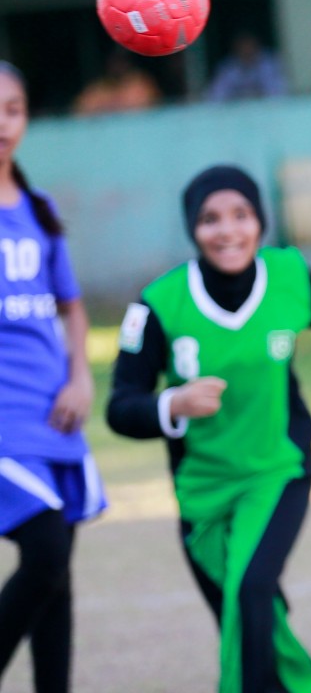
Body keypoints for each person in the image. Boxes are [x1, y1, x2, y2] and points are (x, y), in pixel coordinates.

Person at [106, 165, 311, 693]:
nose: (228, 231)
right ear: (192, 229)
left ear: (260, 222)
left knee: (249, 592)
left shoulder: (287, 275)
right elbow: (120, 407)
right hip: (201, 488)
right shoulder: (158, 304)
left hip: (278, 468)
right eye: (210, 219)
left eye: (241, 216)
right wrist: (173, 403)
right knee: (249, 611)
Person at [0, 62, 105, 693]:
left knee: (58, 575)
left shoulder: (39, 209)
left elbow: (70, 306)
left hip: (53, 411)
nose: (1, 123)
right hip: (3, 423)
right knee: (45, 552)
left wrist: (81, 379)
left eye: (12, 108)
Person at [72, 48, 161, 115]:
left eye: (122, 61)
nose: (118, 65)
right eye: (114, 61)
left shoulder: (141, 83)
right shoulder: (97, 88)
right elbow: (78, 113)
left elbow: (154, 109)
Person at [205, 32, 287, 102]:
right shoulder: (228, 68)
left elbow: (278, 92)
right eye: (243, 47)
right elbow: (215, 95)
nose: (246, 50)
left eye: (249, 46)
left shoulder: (268, 63)